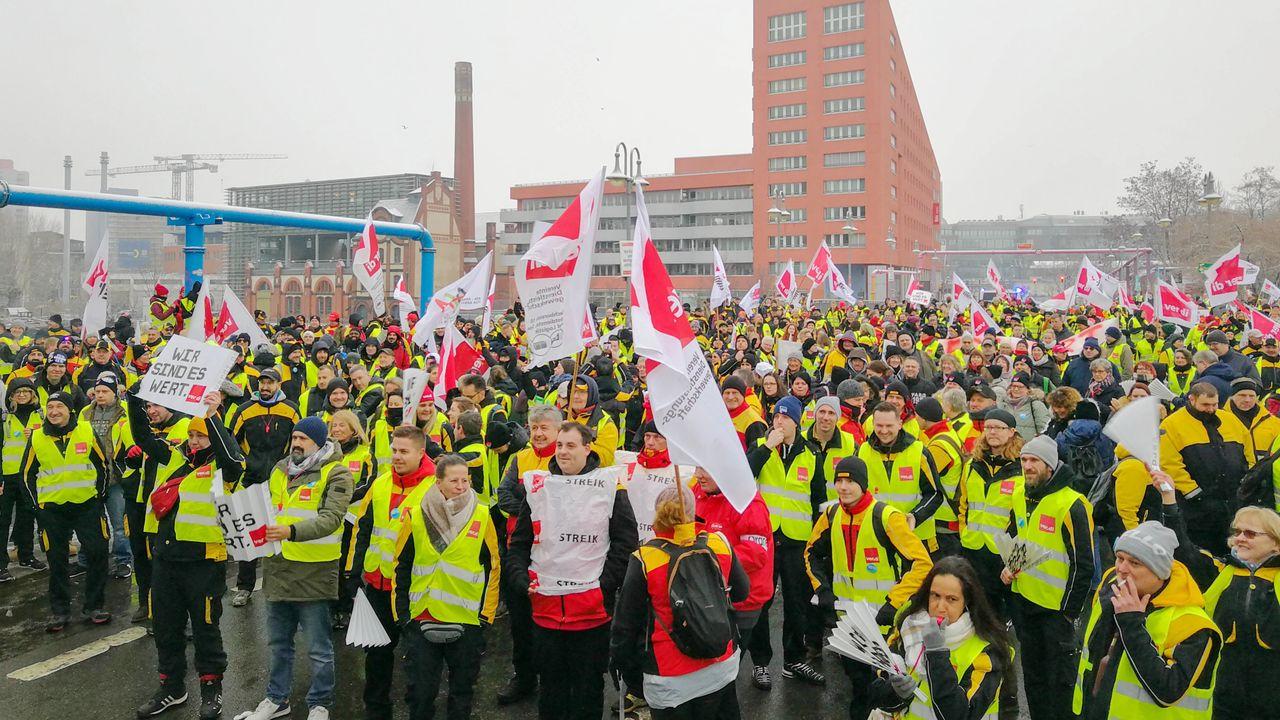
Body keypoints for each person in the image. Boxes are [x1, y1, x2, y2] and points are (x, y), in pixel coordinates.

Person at [505, 421, 639, 720]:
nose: (563, 452)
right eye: (560, 445)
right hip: (545, 612)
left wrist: (603, 585)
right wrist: (520, 579)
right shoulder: (540, 488)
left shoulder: (609, 486)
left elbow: (625, 543)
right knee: (551, 690)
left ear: (587, 448)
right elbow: (520, 544)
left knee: (588, 690)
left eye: (571, 445)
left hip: (591, 615)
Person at [131, 392, 244, 720]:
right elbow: (141, 434)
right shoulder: (173, 458)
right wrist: (136, 397)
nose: (194, 441)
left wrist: (212, 416)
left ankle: (211, 688)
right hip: (166, 560)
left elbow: (232, 460)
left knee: (206, 627)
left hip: (204, 562)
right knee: (166, 627)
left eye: (200, 435)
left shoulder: (225, 467)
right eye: (191, 434)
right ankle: (171, 687)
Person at [237, 417, 353, 720]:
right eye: (295, 438)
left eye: (303, 438)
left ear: (319, 441)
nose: (297, 443)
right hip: (278, 568)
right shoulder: (280, 469)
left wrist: (290, 531)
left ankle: (320, 703)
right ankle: (277, 699)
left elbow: (332, 518)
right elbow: (265, 508)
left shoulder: (336, 472)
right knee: (278, 644)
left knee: (318, 647)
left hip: (314, 572)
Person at [804, 455, 932, 720]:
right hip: (848, 620)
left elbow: (922, 563)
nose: (843, 486)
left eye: (850, 481)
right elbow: (810, 554)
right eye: (839, 480)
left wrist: (893, 602)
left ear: (863, 484)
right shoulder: (831, 514)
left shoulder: (887, 516)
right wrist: (822, 589)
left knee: (884, 688)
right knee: (858, 683)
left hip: (883, 621)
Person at [611, 482, 749, 720]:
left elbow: (626, 625)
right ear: (694, 511)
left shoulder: (646, 558)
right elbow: (741, 592)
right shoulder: (719, 543)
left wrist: (624, 670)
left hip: (669, 678)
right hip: (720, 664)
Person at [1073, 521, 1221, 719]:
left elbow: (1168, 691)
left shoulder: (1193, 625)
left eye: (1135, 563)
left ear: (1160, 572)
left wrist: (1131, 623)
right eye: (1119, 558)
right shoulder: (1110, 584)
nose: (1122, 569)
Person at [392, 454, 501, 720]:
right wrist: (402, 615)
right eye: (454, 481)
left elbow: (493, 567)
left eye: (466, 480)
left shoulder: (482, 515)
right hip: (422, 618)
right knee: (420, 695)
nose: (462, 486)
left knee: (462, 695)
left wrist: (485, 616)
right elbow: (401, 566)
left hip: (466, 622)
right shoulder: (416, 516)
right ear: (438, 482)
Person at [1161, 477, 1279, 719]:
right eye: (1237, 532)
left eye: (1250, 533)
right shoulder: (1219, 571)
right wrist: (1169, 501)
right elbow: (1182, 549)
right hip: (1224, 691)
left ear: (1276, 543)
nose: (1240, 538)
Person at [348, 424, 436, 720]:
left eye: (403, 451)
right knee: (376, 656)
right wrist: (353, 573)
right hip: (376, 584)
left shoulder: (435, 488)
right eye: (394, 450)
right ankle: (376, 711)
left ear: (420, 452)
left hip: (413, 589)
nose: (396, 457)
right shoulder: (381, 482)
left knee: (417, 660)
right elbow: (363, 528)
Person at [1004, 435, 1095, 720]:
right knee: (1033, 678)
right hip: (1025, 603)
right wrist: (1010, 565)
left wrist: (1069, 613)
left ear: (1051, 466)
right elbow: (1015, 536)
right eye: (1024, 460)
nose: (1028, 466)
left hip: (1056, 612)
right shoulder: (1020, 494)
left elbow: (1084, 564)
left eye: (1035, 461)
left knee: (1060, 683)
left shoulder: (1072, 504)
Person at [870, 557, 1013, 720]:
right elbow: (876, 695)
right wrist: (895, 692)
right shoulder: (909, 627)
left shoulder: (987, 652)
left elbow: (959, 715)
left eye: (951, 599)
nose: (940, 607)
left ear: (967, 602)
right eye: (935, 596)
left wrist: (936, 653)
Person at [747, 396, 826, 685]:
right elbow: (744, 474)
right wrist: (767, 447)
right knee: (761, 601)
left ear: (797, 421)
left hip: (797, 539)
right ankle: (760, 662)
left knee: (797, 602)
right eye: (776, 417)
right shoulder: (761, 447)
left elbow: (819, 499)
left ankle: (793, 659)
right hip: (764, 537)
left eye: (786, 418)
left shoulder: (811, 454)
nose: (779, 422)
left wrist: (818, 543)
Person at [21, 391, 111, 630]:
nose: (54, 412)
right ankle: (60, 611)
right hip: (52, 511)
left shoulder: (86, 430)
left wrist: (99, 496)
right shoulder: (38, 437)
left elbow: (102, 465)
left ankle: (94, 605)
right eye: (50, 407)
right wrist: (36, 507)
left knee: (97, 552)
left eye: (59, 406)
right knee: (57, 560)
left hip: (87, 506)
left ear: (69, 410)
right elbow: (26, 474)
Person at [493, 404, 564, 706]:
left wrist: (529, 505)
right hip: (518, 551)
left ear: (558, 430)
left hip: (551, 554)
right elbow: (503, 495)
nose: (537, 433)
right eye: (534, 427)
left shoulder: (564, 461)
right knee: (520, 624)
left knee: (548, 624)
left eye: (544, 427)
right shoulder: (518, 458)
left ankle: (550, 679)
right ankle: (523, 678)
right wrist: (532, 509)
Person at [692, 466, 774, 690]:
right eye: (697, 467)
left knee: (724, 675)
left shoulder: (748, 503)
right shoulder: (697, 491)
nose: (698, 474)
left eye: (706, 469)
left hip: (742, 601)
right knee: (710, 670)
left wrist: (706, 559)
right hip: (711, 596)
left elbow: (755, 554)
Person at [228, 367, 301, 607]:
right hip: (252, 478)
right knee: (249, 535)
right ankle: (244, 586)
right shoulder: (244, 410)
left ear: (279, 384)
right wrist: (244, 465)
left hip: (281, 480)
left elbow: (298, 442)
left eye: (270, 383)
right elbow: (231, 442)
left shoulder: (290, 410)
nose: (265, 387)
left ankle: (284, 584)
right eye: (262, 383)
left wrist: (291, 469)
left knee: (280, 534)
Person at [1159, 382, 1250, 554]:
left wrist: (1247, 483)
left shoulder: (1230, 420)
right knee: (1203, 551)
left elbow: (1248, 453)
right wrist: (1194, 493)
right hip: (1197, 505)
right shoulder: (1172, 424)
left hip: (1232, 499)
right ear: (1191, 400)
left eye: (1215, 404)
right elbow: (1170, 464)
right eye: (1205, 405)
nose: (1211, 409)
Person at [857, 401, 942, 550]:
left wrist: (915, 516)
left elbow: (935, 494)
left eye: (889, 426)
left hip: (915, 536)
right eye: (879, 426)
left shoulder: (919, 451)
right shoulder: (862, 452)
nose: (884, 431)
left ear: (900, 424)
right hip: (876, 534)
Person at [80, 373, 133, 579]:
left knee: (119, 524)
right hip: (91, 477)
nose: (100, 395)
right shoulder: (85, 412)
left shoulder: (125, 412)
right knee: (90, 523)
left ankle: (123, 561)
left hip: (115, 477)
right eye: (98, 391)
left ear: (115, 393)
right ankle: (87, 560)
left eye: (105, 391)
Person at [0, 378, 45, 583]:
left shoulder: (42, 415)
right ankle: (1, 564)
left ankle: (26, 556)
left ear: (32, 394)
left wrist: (37, 434)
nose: (22, 395)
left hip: (31, 475)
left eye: (26, 391)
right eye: (17, 392)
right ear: (11, 396)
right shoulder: (5, 418)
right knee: (3, 520)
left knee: (28, 517)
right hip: (8, 476)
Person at [916, 397, 965, 558]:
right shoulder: (949, 432)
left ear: (923, 418)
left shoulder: (939, 445)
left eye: (917, 416)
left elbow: (921, 476)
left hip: (943, 522)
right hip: (947, 519)